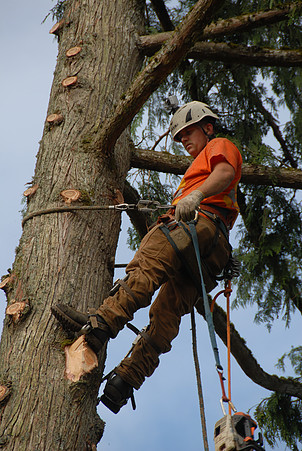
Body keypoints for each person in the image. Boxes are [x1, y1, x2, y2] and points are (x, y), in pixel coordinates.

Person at [51, 101, 242, 414]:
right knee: (167, 315)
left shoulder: (219, 145)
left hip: (194, 224)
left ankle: (100, 327)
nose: (184, 141)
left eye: (188, 132)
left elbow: (224, 172)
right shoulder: (199, 166)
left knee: (145, 270)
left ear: (208, 126)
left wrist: (194, 196)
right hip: (210, 253)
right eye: (179, 138)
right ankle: (124, 382)